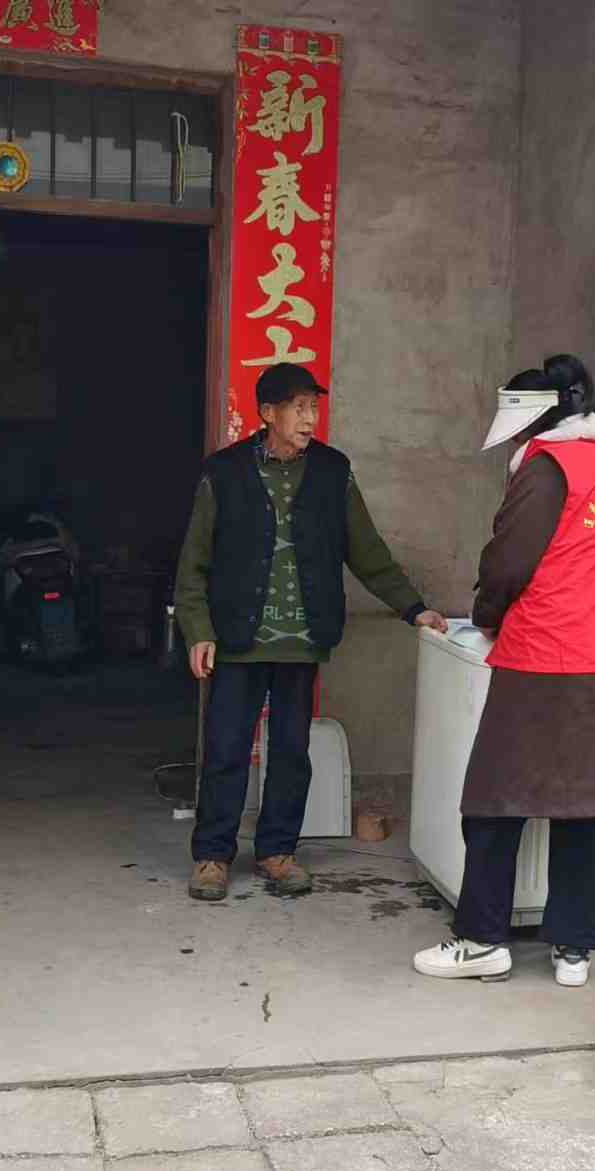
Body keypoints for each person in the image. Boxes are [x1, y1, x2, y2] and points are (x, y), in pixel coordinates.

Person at [412, 355, 595, 987]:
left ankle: (482, 939)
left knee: (495, 799)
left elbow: (508, 562)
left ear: (538, 421)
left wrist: (485, 616)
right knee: (587, 804)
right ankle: (574, 949)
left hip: (544, 656)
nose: (515, 443)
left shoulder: (548, 467)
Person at [175, 364, 445, 900]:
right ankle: (212, 856)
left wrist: (413, 608)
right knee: (226, 749)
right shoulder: (223, 472)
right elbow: (193, 564)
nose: (309, 418)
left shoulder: (332, 471)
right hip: (237, 640)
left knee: (291, 753)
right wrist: (198, 630)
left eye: (313, 407)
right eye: (297, 408)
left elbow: (367, 552)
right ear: (267, 413)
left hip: (302, 641)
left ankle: (277, 851)